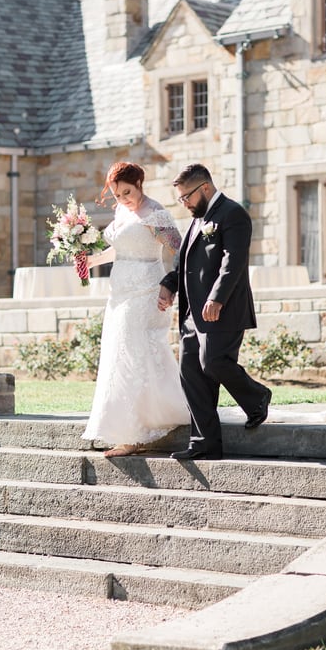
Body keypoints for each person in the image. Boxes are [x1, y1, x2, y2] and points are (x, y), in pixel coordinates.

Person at [158, 163, 271, 460]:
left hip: (224, 310)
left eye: (186, 197)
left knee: (214, 362)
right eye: (180, 199)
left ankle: (258, 396)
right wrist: (169, 285)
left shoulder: (233, 214)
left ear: (205, 188)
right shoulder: (198, 220)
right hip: (192, 314)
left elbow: (232, 262)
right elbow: (183, 263)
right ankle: (204, 443)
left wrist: (217, 298)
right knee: (190, 373)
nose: (184, 204)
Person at [82, 161, 190, 457]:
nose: (123, 200)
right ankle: (142, 420)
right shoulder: (122, 211)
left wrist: (172, 285)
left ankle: (132, 435)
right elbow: (121, 249)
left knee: (133, 353)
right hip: (119, 292)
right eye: (117, 195)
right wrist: (91, 262)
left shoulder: (155, 212)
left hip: (146, 292)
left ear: (140, 184)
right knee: (118, 351)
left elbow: (180, 248)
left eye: (127, 192)